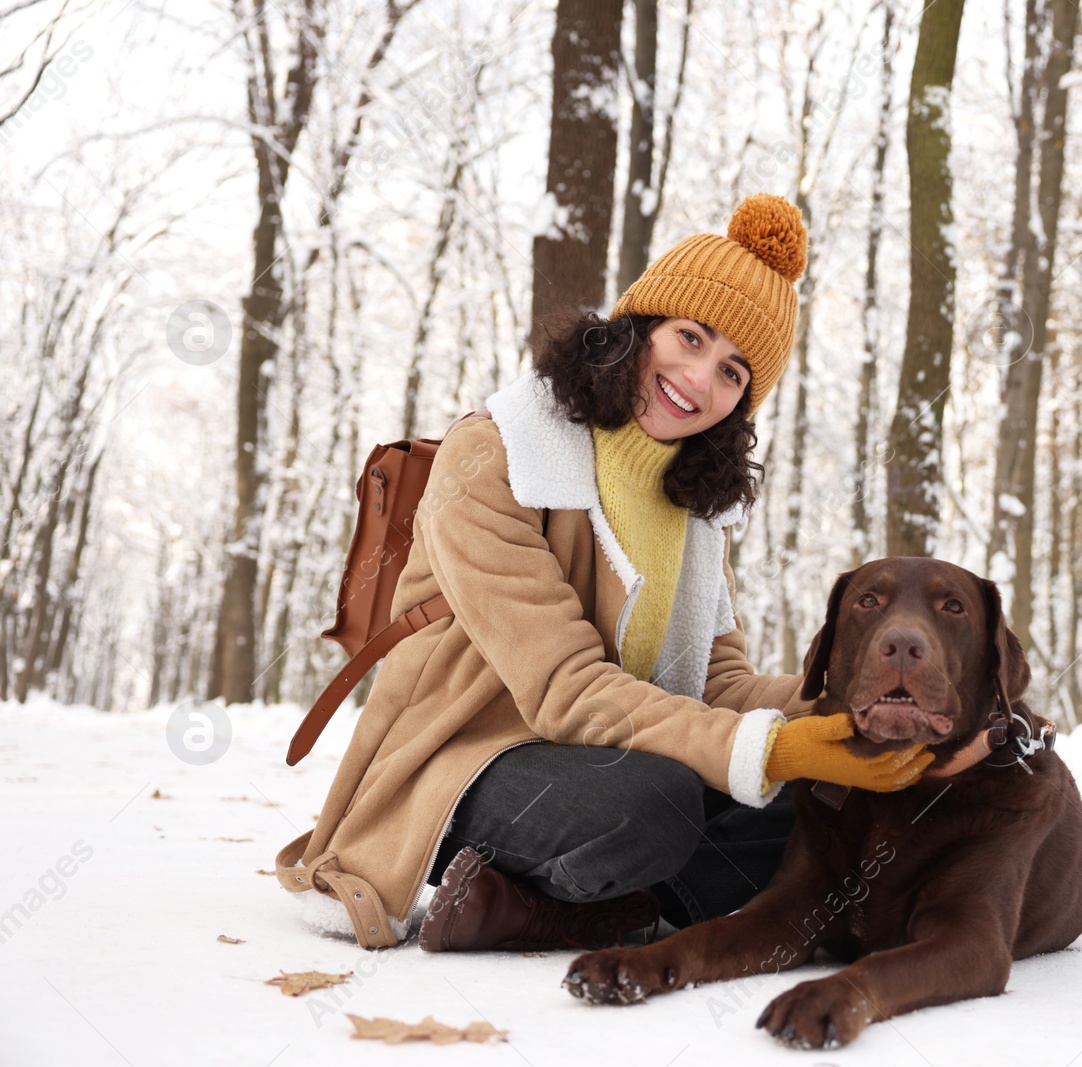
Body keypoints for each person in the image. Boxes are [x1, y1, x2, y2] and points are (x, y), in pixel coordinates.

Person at [275, 193, 933, 952]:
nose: (697, 378)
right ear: (637, 325)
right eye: (689, 337)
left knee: (822, 803)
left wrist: (864, 695)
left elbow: (718, 687)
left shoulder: (695, 511)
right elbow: (566, 689)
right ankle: (557, 888)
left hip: (618, 752)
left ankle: (593, 901)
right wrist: (773, 748)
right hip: (467, 756)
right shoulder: (496, 457)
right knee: (656, 803)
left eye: (731, 372)